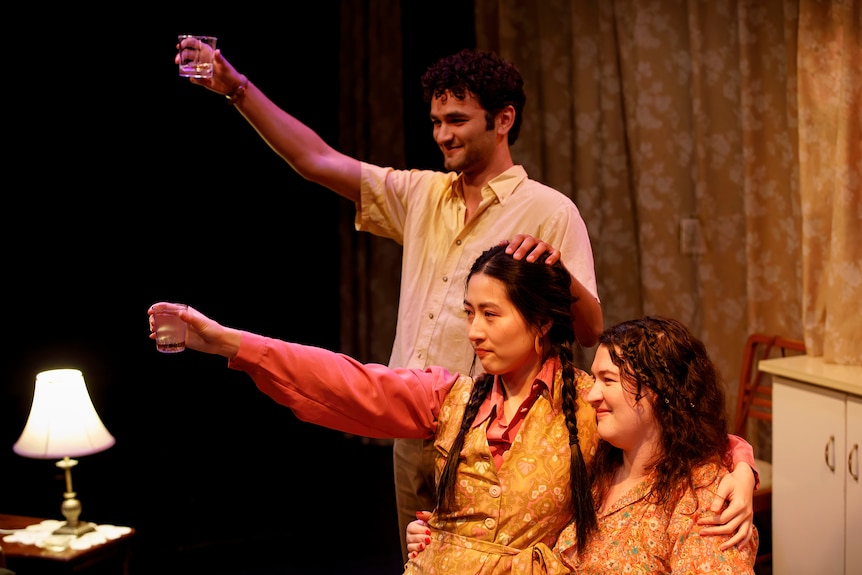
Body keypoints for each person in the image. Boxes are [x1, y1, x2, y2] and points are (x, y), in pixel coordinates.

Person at [177, 43, 605, 559]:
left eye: (456, 120)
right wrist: (237, 89)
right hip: (412, 424)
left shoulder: (549, 211)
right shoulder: (423, 194)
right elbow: (315, 160)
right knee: (421, 563)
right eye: (435, 121)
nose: (442, 134)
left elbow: (589, 332)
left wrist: (560, 271)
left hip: (495, 441)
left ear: (503, 119)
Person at [148, 244, 755, 574]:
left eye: (491, 314)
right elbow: (347, 382)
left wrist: (742, 469)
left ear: (540, 324)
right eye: (469, 313)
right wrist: (227, 341)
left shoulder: (589, 405)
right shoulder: (452, 398)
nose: (474, 331)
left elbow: (682, 431)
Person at [406, 316, 759, 574]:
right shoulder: (599, 467)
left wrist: (742, 469)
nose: (591, 394)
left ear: (657, 391)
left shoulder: (705, 501)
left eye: (607, 379)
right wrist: (445, 541)